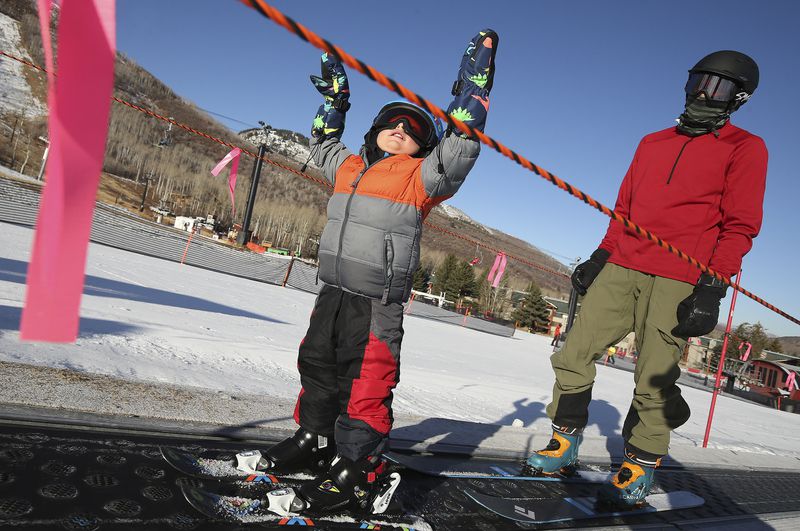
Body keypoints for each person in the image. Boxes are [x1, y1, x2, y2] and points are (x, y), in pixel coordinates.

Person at [252, 30, 498, 514]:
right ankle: (314, 439)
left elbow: (460, 146)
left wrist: (472, 89)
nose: (400, 131)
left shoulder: (420, 178)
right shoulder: (348, 166)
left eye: (411, 131)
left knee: (367, 381)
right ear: (374, 131)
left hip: (376, 299)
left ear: (421, 147)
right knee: (318, 364)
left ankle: (360, 464)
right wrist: (336, 101)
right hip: (333, 290)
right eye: (392, 124)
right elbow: (321, 142)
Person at [523, 50, 767, 509]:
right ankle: (564, 442)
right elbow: (623, 211)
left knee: (652, 376)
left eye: (716, 86)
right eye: (697, 80)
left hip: (680, 276)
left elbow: (740, 224)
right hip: (623, 265)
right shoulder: (652, 142)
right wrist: (600, 256)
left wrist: (712, 286)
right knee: (574, 352)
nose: (701, 92)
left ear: (738, 98)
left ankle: (640, 461)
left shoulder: (745, 147)